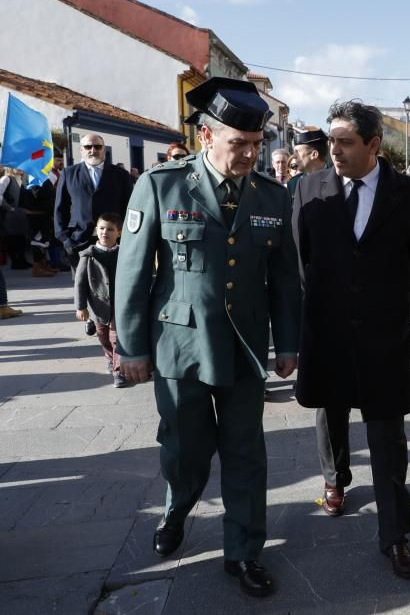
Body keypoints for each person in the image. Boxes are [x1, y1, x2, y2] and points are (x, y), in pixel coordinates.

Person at [115, 77, 301, 597]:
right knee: (185, 450)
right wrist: (132, 348)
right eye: (237, 144)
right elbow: (132, 273)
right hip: (180, 349)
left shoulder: (271, 195)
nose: (247, 154)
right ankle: (177, 506)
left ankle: (243, 553)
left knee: (245, 454)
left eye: (255, 144)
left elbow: (286, 277)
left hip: (243, 349)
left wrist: (287, 343)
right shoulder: (161, 185)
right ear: (206, 138)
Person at [292, 99, 410, 581]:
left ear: (374, 145)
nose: (333, 149)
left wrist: (389, 309)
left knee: (387, 441)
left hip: (383, 340)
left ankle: (394, 535)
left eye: (345, 142)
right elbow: (300, 259)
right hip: (327, 334)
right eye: (331, 140)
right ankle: (335, 481)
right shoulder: (307, 190)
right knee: (329, 415)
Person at [54, 133, 133, 271]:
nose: (93, 150)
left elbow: (129, 208)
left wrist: (126, 237)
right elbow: (60, 208)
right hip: (78, 240)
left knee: (112, 285)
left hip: (113, 241)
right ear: (81, 150)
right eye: (88, 147)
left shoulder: (121, 175)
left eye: (97, 146)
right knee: (82, 286)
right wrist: (66, 240)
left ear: (104, 149)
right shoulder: (69, 174)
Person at [74, 213, 127, 387]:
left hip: (119, 305)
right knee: (103, 338)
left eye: (110, 229)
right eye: (102, 228)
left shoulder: (124, 253)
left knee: (117, 338)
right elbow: (80, 284)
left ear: (118, 232)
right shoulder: (88, 256)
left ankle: (119, 372)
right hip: (98, 307)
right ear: (96, 230)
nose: (105, 232)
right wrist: (81, 307)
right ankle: (110, 358)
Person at [1, 168, 31, 270]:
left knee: (21, 237)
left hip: (20, 213)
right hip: (11, 213)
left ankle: (22, 260)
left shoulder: (21, 179)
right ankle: (15, 261)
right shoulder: (7, 179)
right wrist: (9, 208)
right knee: (13, 238)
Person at [287, 128, 328, 196]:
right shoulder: (293, 183)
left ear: (314, 154)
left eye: (297, 152)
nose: (293, 156)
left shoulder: (337, 180)